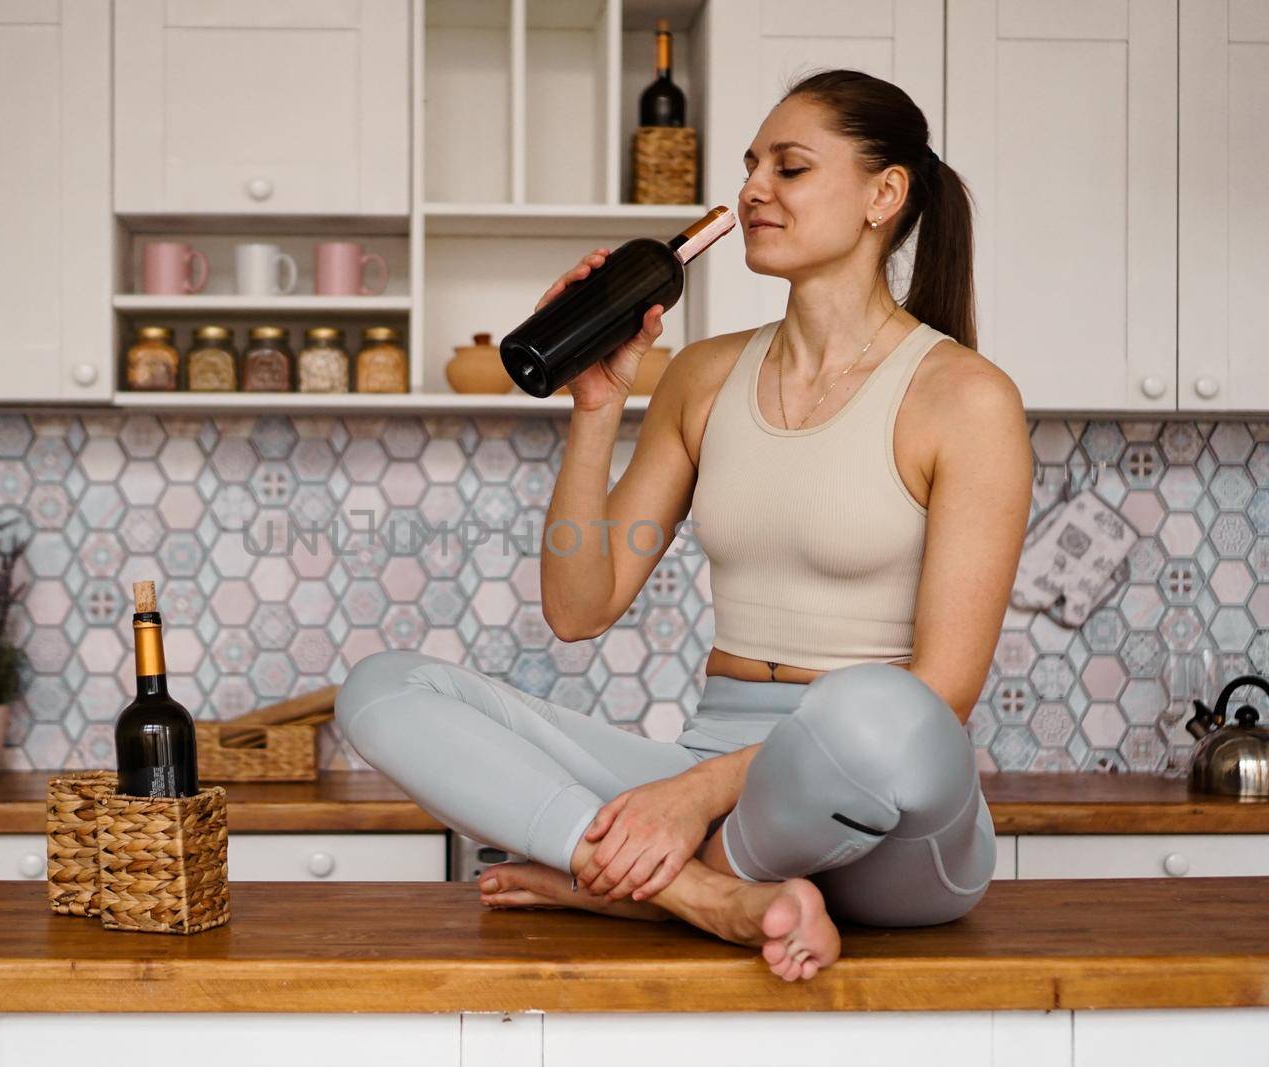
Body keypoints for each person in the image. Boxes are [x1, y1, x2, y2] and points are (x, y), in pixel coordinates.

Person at [334, 69, 1033, 983]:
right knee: (382, 689)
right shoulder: (700, 380)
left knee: (877, 707)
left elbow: (941, 697)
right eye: (751, 168)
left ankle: (611, 874)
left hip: (891, 815)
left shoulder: (965, 397)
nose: (752, 191)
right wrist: (597, 404)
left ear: (884, 194)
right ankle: (709, 897)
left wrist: (689, 796)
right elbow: (579, 606)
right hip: (714, 767)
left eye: (789, 168)